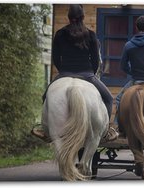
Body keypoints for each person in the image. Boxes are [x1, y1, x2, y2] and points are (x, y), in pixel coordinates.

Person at [31, 4, 118, 143]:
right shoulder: (91, 35)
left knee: (46, 96)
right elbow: (96, 59)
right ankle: (106, 131)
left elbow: (56, 57)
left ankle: (46, 130)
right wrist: (92, 73)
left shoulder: (60, 34)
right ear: (83, 17)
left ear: (68, 17)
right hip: (87, 74)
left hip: (64, 73)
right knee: (108, 98)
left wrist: (63, 71)